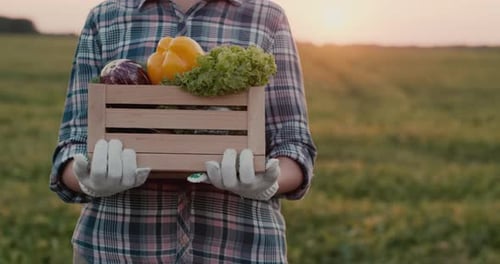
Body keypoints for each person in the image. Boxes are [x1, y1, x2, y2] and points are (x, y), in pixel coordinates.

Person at [50, 0, 317, 263]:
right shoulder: (106, 17)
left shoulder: (266, 16)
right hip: (117, 249)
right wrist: (88, 178)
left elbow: (293, 144)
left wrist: (266, 182)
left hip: (240, 249)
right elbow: (73, 144)